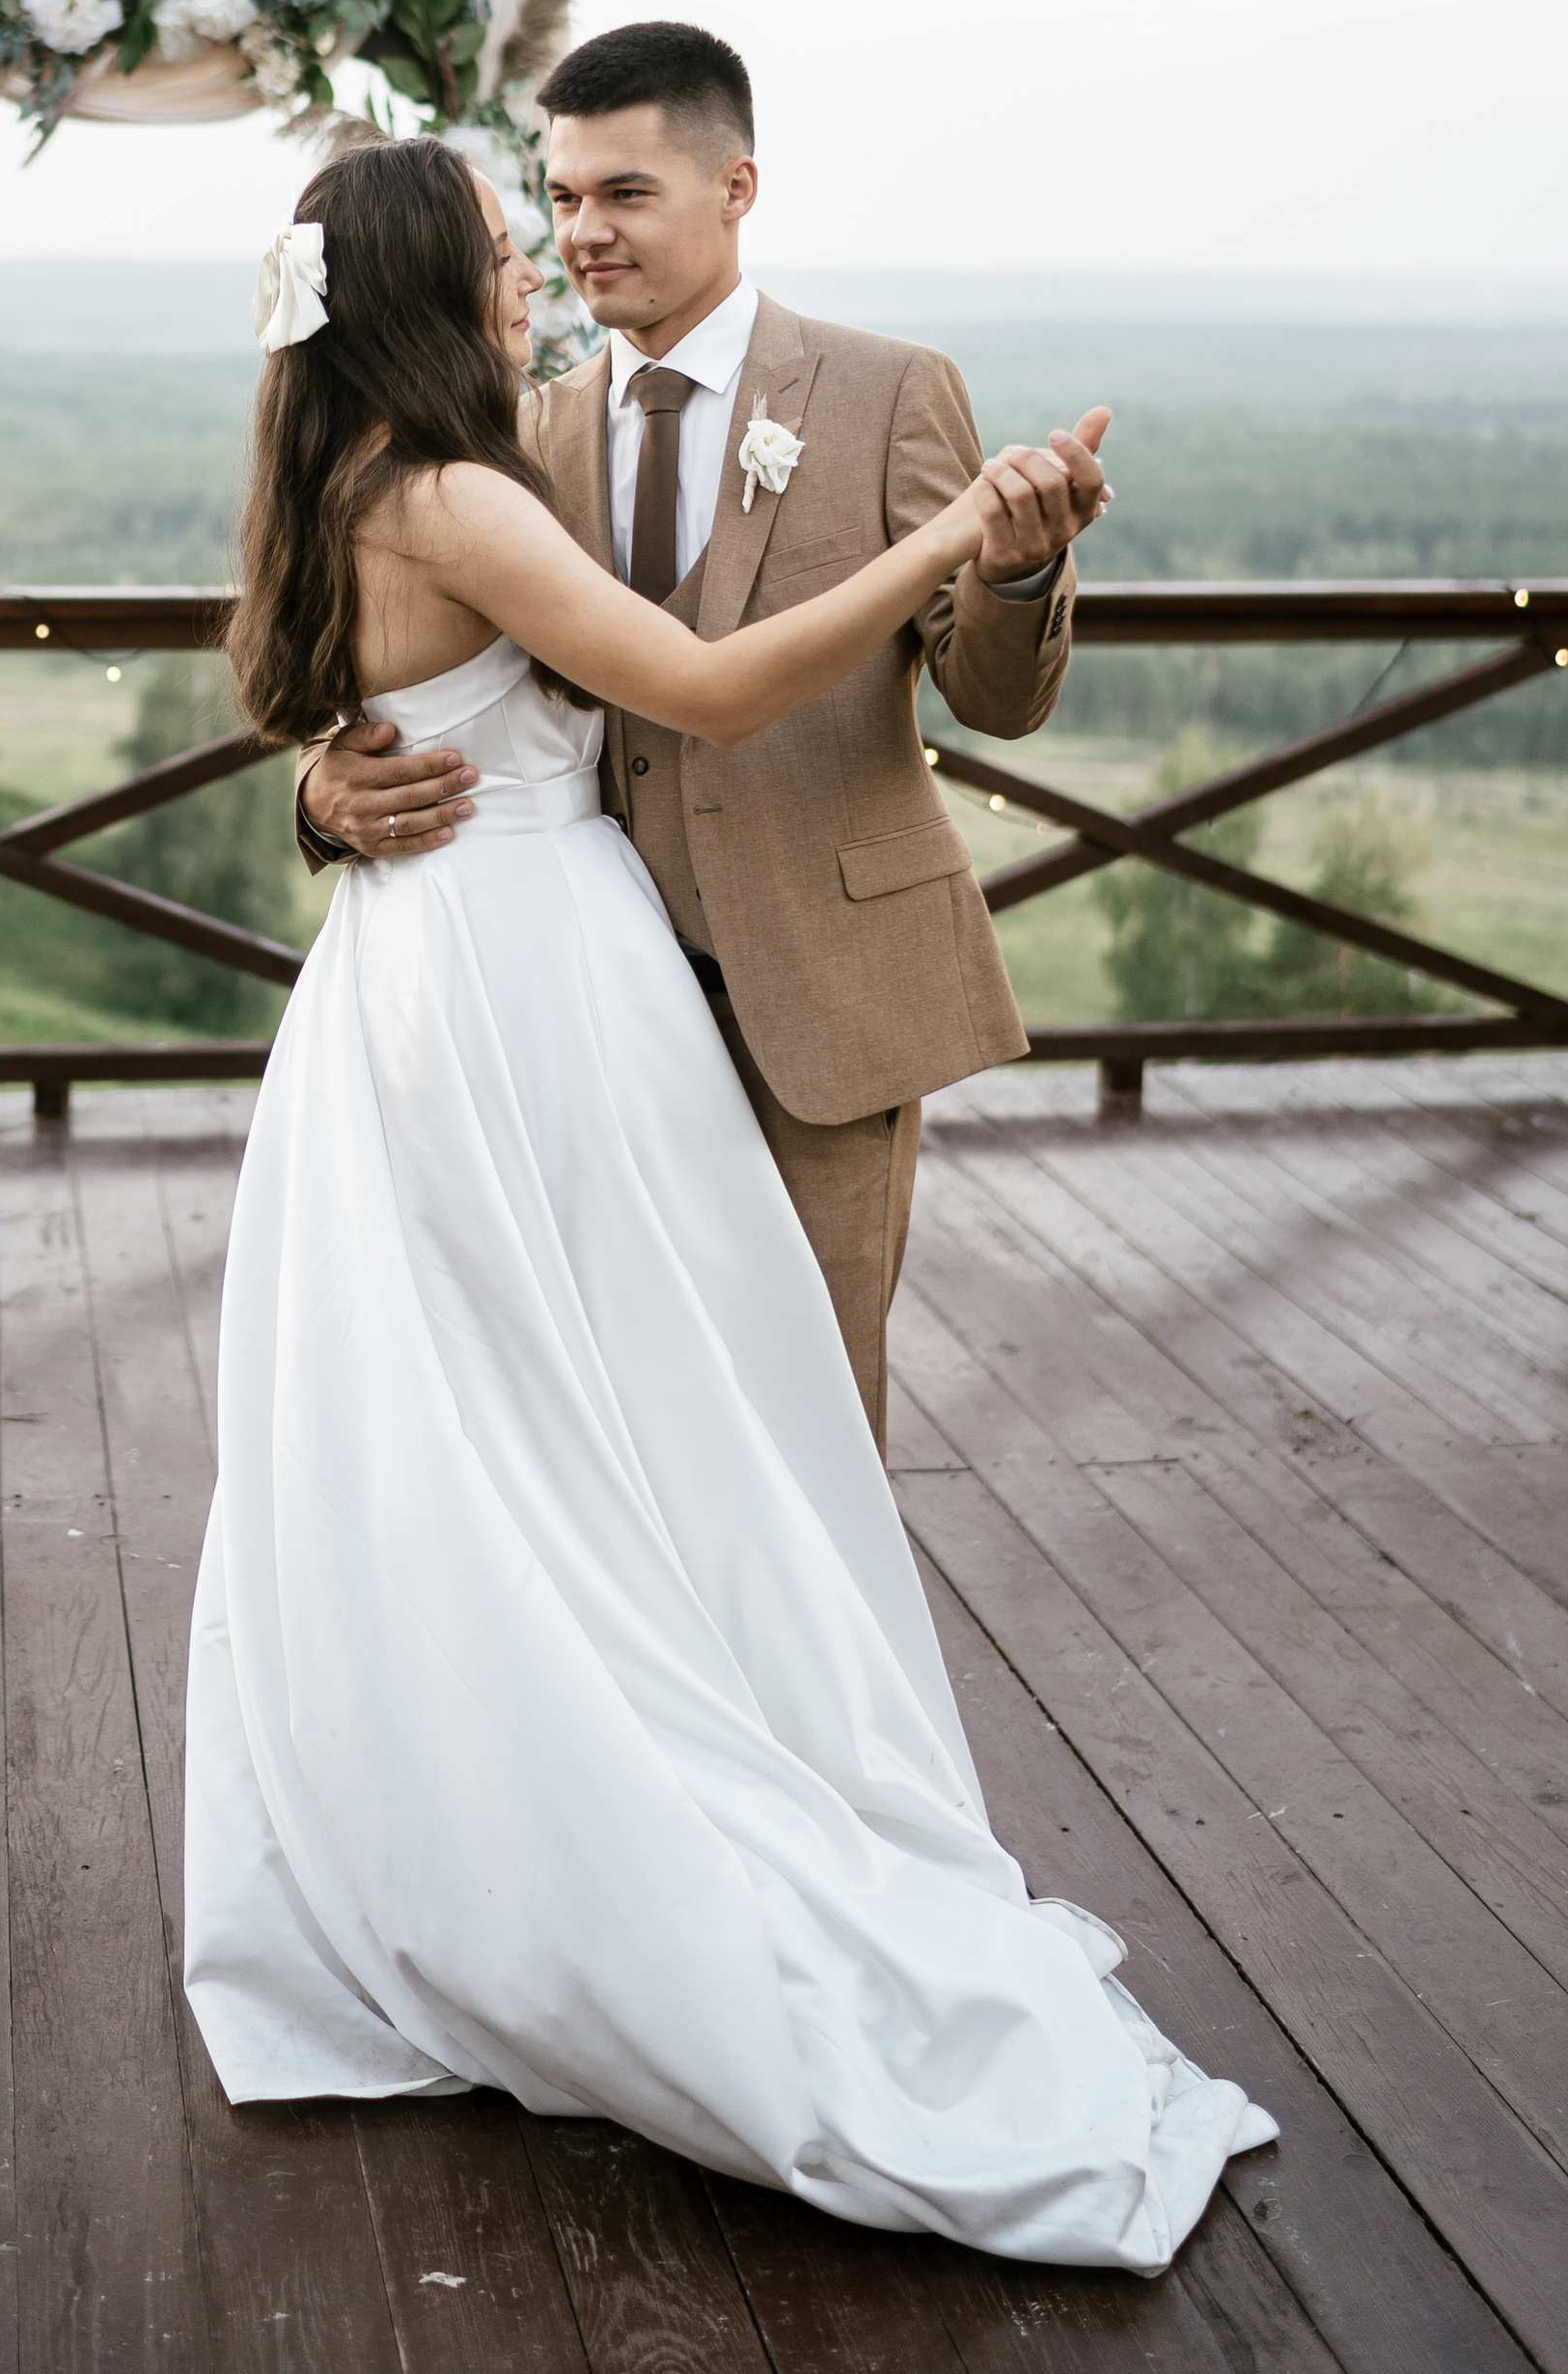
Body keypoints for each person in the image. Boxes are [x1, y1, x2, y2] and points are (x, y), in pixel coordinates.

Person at [182, 132, 1272, 2269]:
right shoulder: (478, 476)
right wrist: (953, 531)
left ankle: (492, 1834)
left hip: (464, 1005)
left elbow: (346, 683)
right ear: (429, 288)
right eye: (509, 245)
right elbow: (689, 684)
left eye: (578, 217)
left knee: (532, 1450)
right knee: (594, 1450)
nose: (540, 269)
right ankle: (640, 1865)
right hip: (533, 1003)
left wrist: (997, 560)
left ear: (728, 185)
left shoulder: (348, 472)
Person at [294, 20, 1094, 1451]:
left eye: (625, 194)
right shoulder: (506, 439)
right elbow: (397, 655)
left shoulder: (887, 391)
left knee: (812, 1424)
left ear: (736, 188)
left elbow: (994, 698)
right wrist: (323, 788)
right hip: (580, 1023)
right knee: (611, 1425)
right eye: (560, 200)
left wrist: (1017, 569)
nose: (584, 234)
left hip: (824, 995)